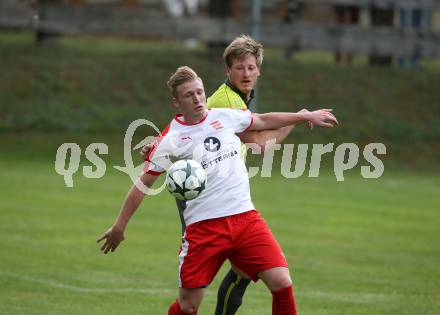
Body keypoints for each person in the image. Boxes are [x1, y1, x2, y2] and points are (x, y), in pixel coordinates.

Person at [98, 66, 338, 315]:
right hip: (204, 228)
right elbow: (142, 184)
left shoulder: (224, 116)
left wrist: (304, 116)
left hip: (246, 219)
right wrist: (119, 226)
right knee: (188, 306)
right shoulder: (171, 139)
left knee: (282, 282)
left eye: (200, 92)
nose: (197, 98)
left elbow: (263, 120)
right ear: (176, 102)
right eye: (189, 95)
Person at [141, 34, 312, 315]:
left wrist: (298, 117)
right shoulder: (226, 101)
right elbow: (260, 145)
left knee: (247, 273)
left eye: (251, 67)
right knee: (198, 295)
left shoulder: (236, 97)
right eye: (239, 67)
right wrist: (298, 118)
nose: (246, 74)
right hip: (204, 199)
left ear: (259, 70)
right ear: (228, 71)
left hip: (227, 199)